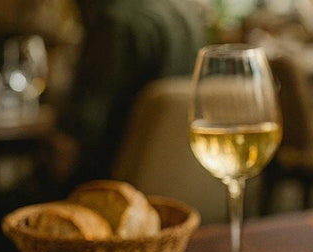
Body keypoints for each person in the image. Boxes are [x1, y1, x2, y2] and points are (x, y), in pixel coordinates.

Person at [55, 0, 205, 188]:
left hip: (108, 185)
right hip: (179, 179)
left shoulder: (115, 19)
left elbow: (82, 127)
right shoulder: (186, 12)